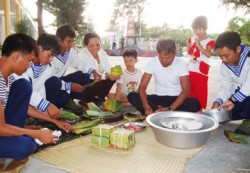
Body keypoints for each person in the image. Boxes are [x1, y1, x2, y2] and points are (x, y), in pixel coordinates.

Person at [0, 33, 56, 171]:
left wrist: (54, 121)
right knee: (26, 145)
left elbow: (25, 108)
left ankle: (15, 135)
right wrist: (35, 134)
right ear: (15, 57)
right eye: (29, 60)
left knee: (24, 86)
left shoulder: (9, 79)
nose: (30, 65)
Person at [127, 39, 200, 116]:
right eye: (161, 58)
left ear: (174, 54)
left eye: (168, 58)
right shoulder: (153, 62)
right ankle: (159, 111)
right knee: (132, 96)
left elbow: (186, 90)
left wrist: (170, 108)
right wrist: (146, 106)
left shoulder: (181, 64)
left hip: (176, 99)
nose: (164, 61)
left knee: (195, 103)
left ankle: (158, 112)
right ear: (157, 54)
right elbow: (142, 87)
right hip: (158, 98)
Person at [24, 33, 73, 132]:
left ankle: (36, 117)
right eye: (49, 55)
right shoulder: (22, 66)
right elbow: (25, 91)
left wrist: (49, 116)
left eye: (53, 56)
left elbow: (41, 91)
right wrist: (47, 105)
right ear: (39, 48)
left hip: (32, 104)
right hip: (22, 104)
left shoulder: (48, 68)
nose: (51, 59)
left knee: (58, 87)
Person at [51, 24, 100, 109]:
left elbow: (79, 63)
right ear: (59, 40)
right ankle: (64, 99)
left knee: (84, 75)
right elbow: (49, 79)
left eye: (72, 41)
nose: (71, 44)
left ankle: (72, 98)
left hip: (61, 81)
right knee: (62, 97)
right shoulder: (50, 54)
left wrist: (93, 71)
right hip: (51, 84)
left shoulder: (70, 52)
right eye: (68, 41)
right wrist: (69, 85)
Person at [212, 31, 250, 120]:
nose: (223, 60)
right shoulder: (225, 65)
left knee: (245, 108)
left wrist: (233, 100)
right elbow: (226, 87)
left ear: (237, 49)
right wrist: (218, 101)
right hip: (245, 93)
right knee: (227, 113)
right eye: (220, 56)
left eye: (226, 55)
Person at [78, 32, 121, 103]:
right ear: (86, 46)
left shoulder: (102, 52)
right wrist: (107, 76)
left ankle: (99, 97)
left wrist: (115, 72)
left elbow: (108, 67)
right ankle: (85, 100)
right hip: (86, 82)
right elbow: (92, 75)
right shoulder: (82, 55)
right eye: (92, 45)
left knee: (112, 79)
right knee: (98, 83)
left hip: (98, 80)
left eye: (98, 44)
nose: (95, 48)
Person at [187, 16, 215, 110]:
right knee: (189, 93)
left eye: (200, 29)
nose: (197, 32)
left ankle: (199, 112)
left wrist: (198, 45)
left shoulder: (210, 41)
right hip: (190, 70)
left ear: (205, 28)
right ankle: (189, 110)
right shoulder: (191, 39)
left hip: (201, 72)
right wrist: (191, 44)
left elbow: (208, 54)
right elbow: (189, 52)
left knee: (200, 94)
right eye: (195, 29)